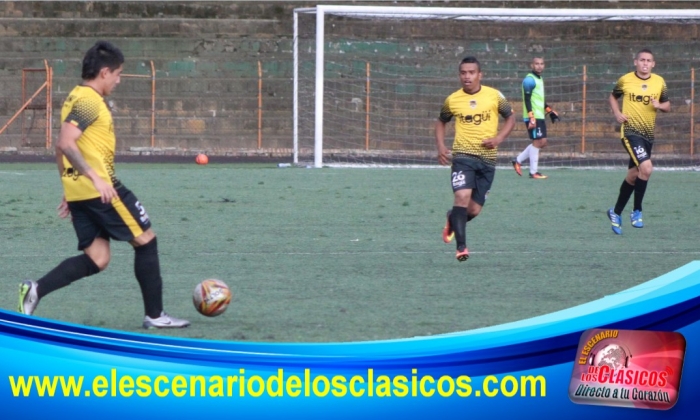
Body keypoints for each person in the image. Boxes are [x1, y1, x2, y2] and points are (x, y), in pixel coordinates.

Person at [17, 41, 190, 329]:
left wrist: (68, 187)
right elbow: (65, 143)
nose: (118, 80)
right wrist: (95, 178)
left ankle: (36, 290)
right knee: (146, 240)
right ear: (105, 72)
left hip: (80, 191)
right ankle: (156, 315)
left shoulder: (74, 96)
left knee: (98, 258)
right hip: (102, 190)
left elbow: (60, 148)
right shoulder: (89, 101)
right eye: (118, 74)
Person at [436, 56, 516, 261]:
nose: (467, 76)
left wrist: (498, 138)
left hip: (487, 160)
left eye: (471, 72)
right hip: (463, 157)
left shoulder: (494, 96)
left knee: (473, 210)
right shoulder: (452, 99)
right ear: (459, 75)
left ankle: (452, 218)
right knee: (462, 197)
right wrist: (441, 146)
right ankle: (461, 248)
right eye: (463, 73)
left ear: (480, 75)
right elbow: (441, 121)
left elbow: (510, 117)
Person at [606, 48, 670, 235]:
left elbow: (667, 105)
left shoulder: (659, 82)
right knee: (647, 168)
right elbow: (613, 96)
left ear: (653, 64)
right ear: (636, 62)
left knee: (634, 175)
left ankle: (616, 212)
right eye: (642, 60)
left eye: (648, 60)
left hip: (648, 135)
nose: (645, 63)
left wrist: (659, 105)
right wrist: (617, 113)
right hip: (630, 132)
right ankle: (637, 211)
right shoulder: (625, 80)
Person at [511, 56, 560, 179]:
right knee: (538, 142)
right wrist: (531, 116)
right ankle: (533, 172)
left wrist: (549, 111)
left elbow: (539, 100)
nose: (539, 66)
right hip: (533, 116)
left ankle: (517, 160)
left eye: (541, 63)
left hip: (540, 115)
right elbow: (527, 100)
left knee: (542, 142)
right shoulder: (529, 80)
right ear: (532, 65)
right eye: (537, 63)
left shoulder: (540, 79)